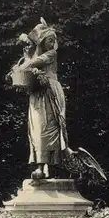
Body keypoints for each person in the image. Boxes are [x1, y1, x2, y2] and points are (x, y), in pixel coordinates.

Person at [18, 19, 69, 180]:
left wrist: (27, 57)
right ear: (42, 41)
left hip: (49, 92)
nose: (52, 43)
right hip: (38, 92)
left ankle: (50, 167)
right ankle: (42, 166)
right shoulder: (38, 54)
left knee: (49, 127)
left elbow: (28, 65)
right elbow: (25, 67)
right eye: (49, 40)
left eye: (54, 40)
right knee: (37, 129)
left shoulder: (51, 54)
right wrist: (28, 53)